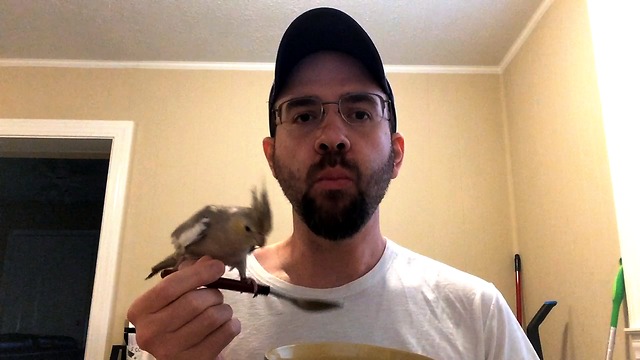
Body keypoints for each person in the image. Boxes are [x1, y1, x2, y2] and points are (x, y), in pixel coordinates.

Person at [127, 7, 540, 360]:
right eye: (304, 115)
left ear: (396, 154)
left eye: (359, 112)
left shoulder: (478, 313)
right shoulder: (194, 322)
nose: (332, 136)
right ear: (271, 157)